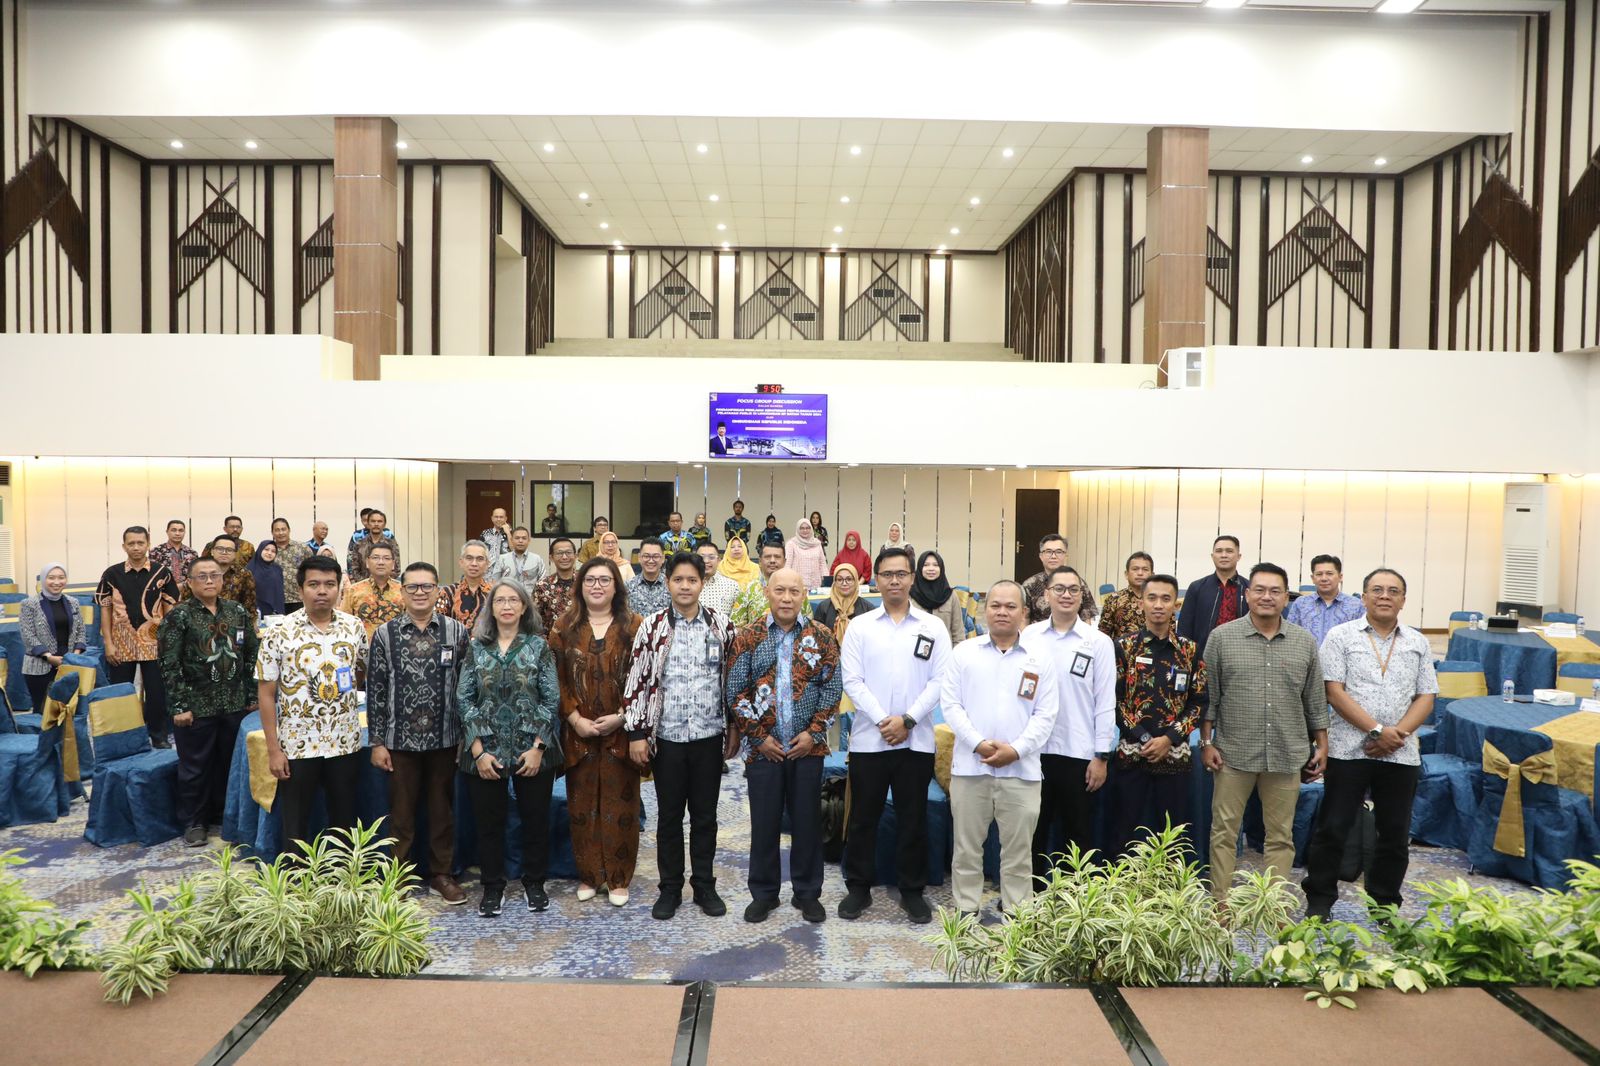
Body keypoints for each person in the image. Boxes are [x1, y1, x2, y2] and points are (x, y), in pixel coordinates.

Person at [1302, 568, 1437, 919]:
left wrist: (1396, 735)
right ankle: (1319, 900)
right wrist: (1377, 730)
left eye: (1393, 590)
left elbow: (1426, 696)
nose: (1384, 596)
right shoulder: (1341, 636)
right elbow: (1333, 691)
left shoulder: (1417, 641)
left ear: (1403, 600)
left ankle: (1385, 903)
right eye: (1376, 590)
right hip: (1348, 750)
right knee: (1333, 828)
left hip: (1400, 753)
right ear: (1363, 597)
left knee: (1394, 833)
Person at [1200, 562, 1327, 900]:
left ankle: (1272, 907)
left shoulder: (1304, 642)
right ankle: (1221, 903)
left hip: (1286, 752)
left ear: (1286, 598)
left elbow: (1315, 699)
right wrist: (1206, 742)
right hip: (1232, 753)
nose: (1266, 597)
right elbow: (1209, 696)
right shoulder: (1222, 638)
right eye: (1259, 590)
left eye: (1275, 591)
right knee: (1224, 833)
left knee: (1281, 836)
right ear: (1247, 594)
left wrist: (1322, 745)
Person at [623, 551, 738, 921]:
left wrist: (734, 726)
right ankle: (670, 888)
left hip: (709, 736)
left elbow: (732, 681)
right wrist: (637, 732)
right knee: (669, 817)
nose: (685, 586)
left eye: (692, 580)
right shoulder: (652, 626)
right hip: (667, 737)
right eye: (678, 580)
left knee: (705, 817)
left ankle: (704, 885)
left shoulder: (721, 625)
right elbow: (638, 680)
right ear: (668, 582)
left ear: (702, 583)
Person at [838, 546, 951, 924]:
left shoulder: (932, 628)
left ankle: (912, 890)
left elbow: (941, 680)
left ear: (912, 578)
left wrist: (909, 719)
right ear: (876, 580)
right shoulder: (860, 627)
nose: (894, 581)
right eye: (887, 574)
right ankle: (858, 887)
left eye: (901, 574)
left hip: (915, 741)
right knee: (863, 817)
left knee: (912, 817)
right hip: (869, 740)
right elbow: (852, 680)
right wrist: (884, 720)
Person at [728, 566, 842, 924]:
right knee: (764, 823)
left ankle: (807, 893)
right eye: (780, 591)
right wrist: (759, 738)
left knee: (808, 822)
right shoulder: (749, 636)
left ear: (804, 595)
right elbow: (735, 691)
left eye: (794, 591)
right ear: (768, 593)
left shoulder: (821, 636)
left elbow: (832, 689)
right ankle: (764, 894)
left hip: (808, 748)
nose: (787, 598)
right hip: (763, 750)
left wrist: (813, 734)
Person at [942, 580, 1059, 916]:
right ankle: (965, 911)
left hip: (1021, 771)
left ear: (1024, 612)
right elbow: (951, 706)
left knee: (1019, 854)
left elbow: (1046, 714)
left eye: (1010, 606)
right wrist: (979, 744)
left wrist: (1016, 750)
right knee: (966, 850)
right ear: (985, 610)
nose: (1002, 612)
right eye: (995, 605)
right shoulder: (964, 653)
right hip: (971, 769)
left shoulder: (1040, 659)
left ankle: (1016, 915)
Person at [366, 561, 471, 906]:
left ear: (438, 591)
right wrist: (377, 742)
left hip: (446, 738)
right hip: (399, 740)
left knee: (442, 812)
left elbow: (467, 687)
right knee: (401, 814)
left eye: (427, 586)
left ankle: (442, 874)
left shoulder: (457, 632)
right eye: (413, 587)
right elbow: (376, 689)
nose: (420, 592)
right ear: (403, 591)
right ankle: (399, 875)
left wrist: (466, 737)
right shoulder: (385, 634)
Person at [457, 580, 562, 918]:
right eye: (499, 600)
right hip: (485, 750)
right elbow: (464, 699)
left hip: (531, 748)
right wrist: (478, 751)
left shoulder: (538, 647)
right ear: (491, 608)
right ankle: (492, 886)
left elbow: (551, 699)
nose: (506, 606)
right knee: (489, 824)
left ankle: (535, 883)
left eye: (513, 600)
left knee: (535, 821)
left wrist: (538, 748)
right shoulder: (476, 647)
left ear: (524, 607)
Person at [255, 554, 368, 852]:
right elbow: (266, 693)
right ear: (301, 589)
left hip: (344, 741)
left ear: (339, 588)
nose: (322, 591)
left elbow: (361, 672)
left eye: (330, 584)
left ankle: (343, 874)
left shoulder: (354, 627)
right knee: (296, 823)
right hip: (297, 744)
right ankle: (296, 876)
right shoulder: (279, 631)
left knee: (344, 819)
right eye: (314, 584)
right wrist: (273, 750)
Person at [550, 557, 643, 907]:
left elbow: (645, 677)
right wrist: (574, 719)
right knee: (582, 806)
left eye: (605, 580)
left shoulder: (635, 626)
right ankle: (590, 875)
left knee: (622, 806)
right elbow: (555, 677)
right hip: (580, 733)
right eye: (590, 580)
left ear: (616, 586)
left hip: (621, 731)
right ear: (580, 586)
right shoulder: (564, 626)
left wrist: (622, 716)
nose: (597, 586)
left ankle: (618, 879)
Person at [159, 556, 260, 847]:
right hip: (196, 706)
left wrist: (252, 694)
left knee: (230, 764)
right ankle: (195, 822)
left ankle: (224, 816)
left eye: (214, 575)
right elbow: (168, 663)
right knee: (195, 768)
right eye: (201, 576)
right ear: (190, 583)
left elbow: (252, 654)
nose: (209, 581)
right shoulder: (179, 616)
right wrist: (179, 706)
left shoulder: (237, 611)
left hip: (234, 704)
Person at [1023, 566, 1116, 878]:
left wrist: (1101, 755)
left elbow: (1105, 702)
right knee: (1032, 830)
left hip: (1078, 751)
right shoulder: (1029, 636)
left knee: (1077, 834)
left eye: (1073, 589)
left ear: (1081, 595)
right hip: (1034, 751)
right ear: (1046, 594)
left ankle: (1074, 896)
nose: (1066, 595)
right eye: (1059, 589)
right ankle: (1029, 893)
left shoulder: (1098, 642)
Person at [1109, 574, 1207, 858]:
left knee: (1172, 833)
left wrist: (1169, 739)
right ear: (1141, 603)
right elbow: (1114, 701)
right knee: (1125, 830)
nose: (1158, 605)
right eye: (1151, 598)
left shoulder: (1189, 650)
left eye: (1166, 599)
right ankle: (1121, 883)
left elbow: (1199, 702)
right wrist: (1143, 737)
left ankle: (1170, 885)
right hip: (1132, 753)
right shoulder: (1124, 647)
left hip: (1174, 755)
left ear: (1175, 605)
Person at [97, 526, 181, 747]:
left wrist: (169, 642)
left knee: (156, 692)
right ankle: (122, 738)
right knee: (120, 692)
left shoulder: (162, 572)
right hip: (121, 642)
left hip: (153, 641)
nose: (136, 547)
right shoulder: (111, 574)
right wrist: (108, 643)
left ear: (148, 544)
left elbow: (170, 609)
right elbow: (105, 610)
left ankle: (158, 736)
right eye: (131, 543)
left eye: (140, 543)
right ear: (124, 546)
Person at [20, 563, 86, 712]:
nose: (57, 582)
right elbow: (28, 635)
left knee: (68, 710)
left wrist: (74, 656)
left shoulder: (73, 602)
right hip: (39, 666)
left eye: (61, 577)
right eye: (51, 578)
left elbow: (81, 631)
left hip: (68, 663)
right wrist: (49, 657)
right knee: (43, 711)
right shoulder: (29, 604)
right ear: (43, 579)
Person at [1177, 535, 1247, 657]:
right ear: (1212, 556)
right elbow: (1184, 629)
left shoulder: (1249, 588)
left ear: (1238, 556)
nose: (1224, 555)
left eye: (1229, 551)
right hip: (1203, 657)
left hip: (1240, 656)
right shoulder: (1197, 588)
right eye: (1219, 551)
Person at [1284, 553, 1366, 646]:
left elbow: (1364, 638)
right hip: (1307, 655)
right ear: (1313, 578)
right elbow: (1290, 635)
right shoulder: (1301, 604)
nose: (1324, 578)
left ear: (1340, 577)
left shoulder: (1356, 605)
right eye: (1319, 574)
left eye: (1329, 574)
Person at [730, 541, 814, 627]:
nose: (772, 561)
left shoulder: (797, 590)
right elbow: (736, 626)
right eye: (768, 557)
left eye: (777, 557)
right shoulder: (748, 589)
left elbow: (809, 623)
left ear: (784, 561)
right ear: (760, 561)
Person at [341, 541, 405, 638]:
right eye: (375, 558)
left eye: (386, 558)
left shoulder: (404, 590)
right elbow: (344, 622)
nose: (381, 562)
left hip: (395, 645)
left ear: (393, 564)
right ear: (367, 562)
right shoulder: (353, 590)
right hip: (363, 645)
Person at [911, 549, 966, 646]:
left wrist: (957, 653)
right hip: (914, 650)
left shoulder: (950, 596)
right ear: (919, 568)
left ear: (941, 568)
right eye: (926, 565)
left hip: (944, 651)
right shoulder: (910, 595)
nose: (931, 569)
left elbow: (958, 634)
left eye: (935, 565)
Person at [437, 540, 494, 627]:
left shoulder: (494, 593)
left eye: (480, 559)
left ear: (487, 564)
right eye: (469, 558)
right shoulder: (447, 592)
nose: (474, 563)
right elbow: (437, 623)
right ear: (461, 562)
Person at [1099, 551, 1154, 640]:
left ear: (1152, 575)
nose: (1140, 573)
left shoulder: (1161, 601)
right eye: (1135, 569)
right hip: (1120, 648)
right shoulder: (1113, 599)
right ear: (1126, 574)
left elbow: (1170, 634)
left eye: (1145, 569)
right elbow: (1103, 636)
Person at [199, 535, 257, 615]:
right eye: (220, 549)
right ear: (212, 551)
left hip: (234, 620)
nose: (224, 552)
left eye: (229, 550)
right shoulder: (199, 572)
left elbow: (250, 606)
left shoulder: (244, 574)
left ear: (235, 554)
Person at [1021, 534, 1070, 623]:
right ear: (1041, 556)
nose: (1053, 556)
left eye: (1059, 552)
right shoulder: (1029, 585)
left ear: (1065, 556)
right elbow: (1023, 619)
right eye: (1048, 552)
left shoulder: (1077, 584)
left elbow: (1086, 617)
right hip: (1037, 632)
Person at [533, 537, 579, 631]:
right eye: (559, 553)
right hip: (551, 638)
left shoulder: (586, 582)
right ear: (551, 558)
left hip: (583, 638)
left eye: (569, 552)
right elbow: (535, 620)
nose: (564, 557)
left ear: (575, 556)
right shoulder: (542, 586)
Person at [268, 519, 313, 615]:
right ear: (272, 532)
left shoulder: (302, 548)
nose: (281, 533)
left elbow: (313, 569)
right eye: (277, 530)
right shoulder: (268, 550)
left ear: (289, 530)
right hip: (274, 599)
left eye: (283, 529)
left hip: (298, 598)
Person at [813, 562, 870, 638]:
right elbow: (816, 637)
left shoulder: (867, 608)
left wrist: (854, 628)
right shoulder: (823, 607)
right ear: (834, 582)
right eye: (839, 580)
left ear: (856, 581)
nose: (844, 583)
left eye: (849, 579)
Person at [488, 525, 548, 595]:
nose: (520, 541)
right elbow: (495, 583)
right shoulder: (502, 559)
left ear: (529, 541)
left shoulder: (537, 559)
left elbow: (543, 583)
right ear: (511, 540)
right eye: (517, 538)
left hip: (530, 600)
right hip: (507, 599)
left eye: (524, 538)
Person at [347, 509, 399, 583]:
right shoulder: (359, 544)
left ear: (384, 524)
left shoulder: (391, 544)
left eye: (379, 521)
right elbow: (354, 568)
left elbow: (396, 569)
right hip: (363, 585)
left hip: (386, 585)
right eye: (373, 521)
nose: (376, 524)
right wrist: (366, 583)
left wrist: (382, 582)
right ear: (368, 524)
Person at [626, 540, 670, 616]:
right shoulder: (628, 586)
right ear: (639, 557)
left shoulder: (671, 586)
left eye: (655, 556)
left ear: (663, 558)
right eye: (646, 556)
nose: (651, 561)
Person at [696, 542, 740, 617]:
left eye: (711, 557)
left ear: (719, 560)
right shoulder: (687, 585)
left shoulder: (732, 586)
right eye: (701, 558)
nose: (706, 561)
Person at [150, 519, 199, 585]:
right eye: (174, 530)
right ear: (167, 532)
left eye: (181, 530)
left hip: (187, 589)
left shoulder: (192, 553)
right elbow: (151, 574)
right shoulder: (156, 552)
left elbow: (196, 574)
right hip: (163, 588)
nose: (177, 533)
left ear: (184, 532)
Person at [785, 518, 828, 590]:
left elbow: (822, 564)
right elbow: (787, 565)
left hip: (816, 586)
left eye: (807, 528)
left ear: (811, 529)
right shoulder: (791, 544)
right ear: (798, 529)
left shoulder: (817, 543)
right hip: (796, 586)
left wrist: (826, 581)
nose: (805, 530)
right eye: (802, 528)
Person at [245, 540, 286, 618]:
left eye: (273, 551)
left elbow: (279, 592)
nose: (269, 553)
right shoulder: (249, 569)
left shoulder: (277, 569)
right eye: (266, 549)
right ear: (260, 550)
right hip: (255, 610)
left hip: (275, 611)